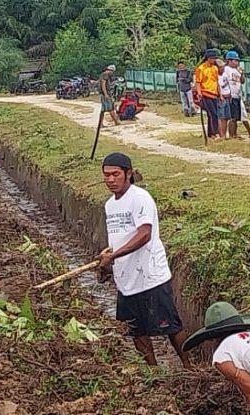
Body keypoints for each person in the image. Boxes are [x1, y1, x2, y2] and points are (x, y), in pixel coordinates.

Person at [98, 152, 192, 368]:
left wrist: (114, 256)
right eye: (106, 175)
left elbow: (144, 234)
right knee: (135, 329)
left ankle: (189, 367)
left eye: (115, 174)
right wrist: (108, 257)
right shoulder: (109, 205)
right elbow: (119, 237)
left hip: (150, 275)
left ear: (128, 174)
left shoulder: (140, 198)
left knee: (170, 324)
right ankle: (153, 372)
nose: (110, 180)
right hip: (126, 277)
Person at [225, 51, 250, 138]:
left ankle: (235, 134)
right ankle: (232, 135)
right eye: (235, 60)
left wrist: (242, 74)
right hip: (230, 95)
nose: (236, 62)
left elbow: (242, 81)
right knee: (232, 117)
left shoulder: (236, 70)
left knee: (237, 116)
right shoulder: (226, 70)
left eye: (237, 61)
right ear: (229, 61)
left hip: (238, 95)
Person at [194, 49, 222, 141]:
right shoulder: (201, 69)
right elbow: (198, 82)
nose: (214, 60)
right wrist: (199, 93)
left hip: (214, 94)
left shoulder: (215, 68)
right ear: (208, 58)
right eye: (213, 58)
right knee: (213, 113)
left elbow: (217, 82)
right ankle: (215, 133)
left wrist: (220, 94)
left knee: (212, 114)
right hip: (205, 93)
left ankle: (211, 134)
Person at [216, 58, 233, 138]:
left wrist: (230, 93)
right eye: (221, 67)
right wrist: (220, 95)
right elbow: (217, 86)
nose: (223, 68)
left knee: (226, 117)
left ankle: (225, 135)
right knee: (221, 117)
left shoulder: (225, 74)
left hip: (227, 96)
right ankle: (221, 135)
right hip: (221, 98)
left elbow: (228, 84)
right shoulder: (216, 76)